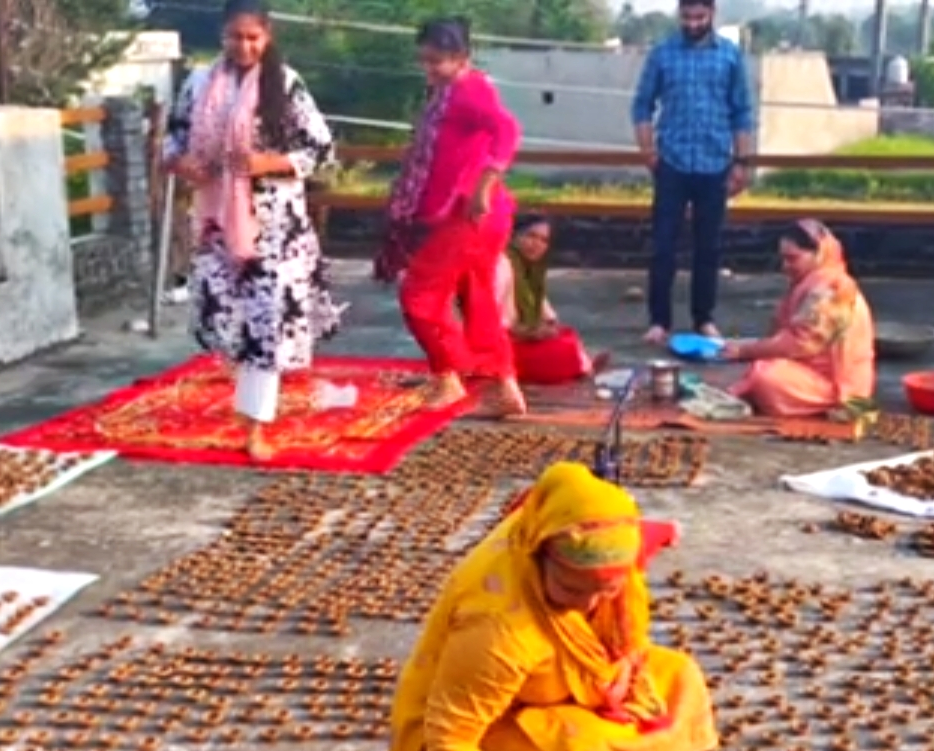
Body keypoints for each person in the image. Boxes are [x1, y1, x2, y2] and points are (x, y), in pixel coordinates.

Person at [306, 462, 718, 751]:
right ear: (538, 554)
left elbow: (624, 565)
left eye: (608, 591)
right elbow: (449, 736)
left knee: (680, 677)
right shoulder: (499, 628)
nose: (588, 604)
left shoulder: (593, 541)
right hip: (489, 729)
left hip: (562, 684)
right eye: (570, 589)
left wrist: (626, 657)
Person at [163, 0, 342, 461]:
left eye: (253, 37)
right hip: (218, 220)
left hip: (275, 226)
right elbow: (174, 136)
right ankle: (249, 404)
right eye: (234, 36)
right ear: (221, 35)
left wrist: (270, 162)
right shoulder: (199, 83)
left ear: (268, 36)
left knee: (266, 325)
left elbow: (320, 148)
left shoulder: (284, 84)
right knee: (232, 321)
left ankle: (255, 426)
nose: (244, 46)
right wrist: (181, 160)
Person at [374, 17, 526, 417]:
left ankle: (448, 377)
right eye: (424, 61)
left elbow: (507, 131)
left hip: (468, 213)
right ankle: (505, 384)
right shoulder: (449, 91)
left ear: (462, 58)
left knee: (420, 295)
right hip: (476, 215)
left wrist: (484, 185)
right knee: (478, 300)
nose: (429, 69)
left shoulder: (468, 91)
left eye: (437, 61)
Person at [631, 0, 754, 347]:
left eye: (699, 17)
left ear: (712, 14)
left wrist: (742, 161)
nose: (692, 23)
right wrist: (647, 150)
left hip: (715, 162)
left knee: (708, 247)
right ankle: (659, 321)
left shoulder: (729, 55)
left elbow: (742, 111)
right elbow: (642, 104)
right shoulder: (663, 54)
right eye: (687, 17)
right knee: (663, 245)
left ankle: (704, 318)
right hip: (672, 161)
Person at [720, 220, 875, 418]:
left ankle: (835, 406)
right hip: (810, 370)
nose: (785, 267)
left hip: (838, 385)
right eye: (783, 259)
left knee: (764, 376)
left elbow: (801, 343)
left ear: (817, 254)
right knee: (755, 369)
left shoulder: (829, 290)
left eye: (792, 259)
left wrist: (746, 351)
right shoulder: (814, 282)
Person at [494, 215, 608, 385]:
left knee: (567, 336)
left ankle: (581, 365)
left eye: (543, 240)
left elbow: (547, 314)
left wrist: (545, 329)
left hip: (522, 337)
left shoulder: (532, 271)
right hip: (499, 343)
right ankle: (581, 367)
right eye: (531, 236)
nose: (537, 244)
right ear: (514, 235)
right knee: (561, 352)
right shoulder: (501, 264)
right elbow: (487, 315)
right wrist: (520, 332)